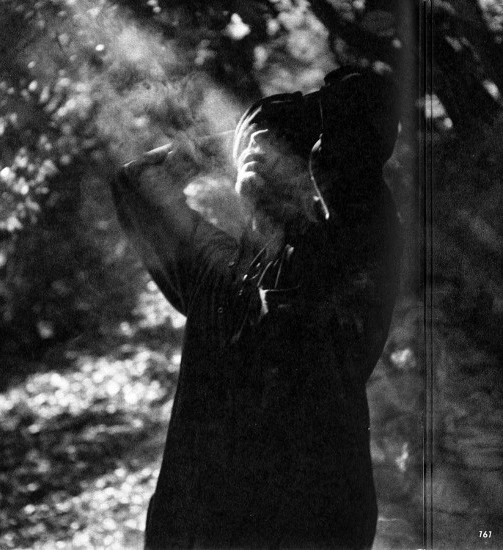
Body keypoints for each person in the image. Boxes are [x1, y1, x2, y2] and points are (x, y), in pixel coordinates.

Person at [110, 66, 402, 549]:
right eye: (253, 146)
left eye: (278, 148)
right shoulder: (222, 278)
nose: (259, 155)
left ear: (316, 168)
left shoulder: (354, 257)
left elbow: (361, 138)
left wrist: (306, 119)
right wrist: (218, 144)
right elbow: (137, 185)